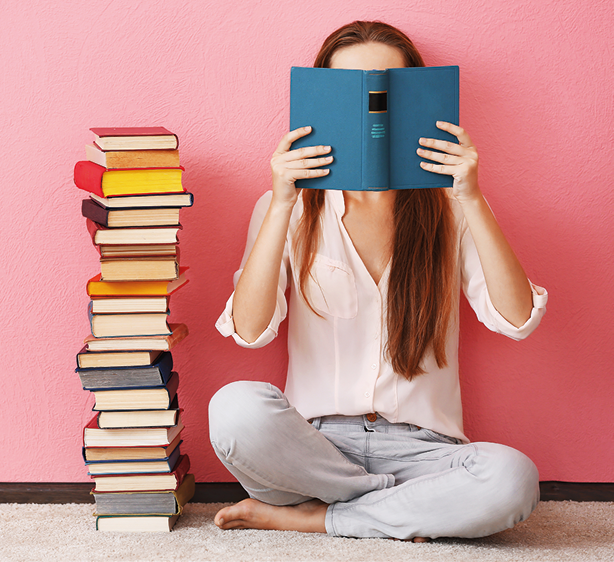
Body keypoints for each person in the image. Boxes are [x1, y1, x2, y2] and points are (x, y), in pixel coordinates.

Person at [209, 20, 548, 541]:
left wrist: (472, 198)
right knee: (233, 409)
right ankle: (396, 509)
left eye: (388, 90)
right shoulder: (291, 209)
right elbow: (252, 329)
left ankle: (321, 518)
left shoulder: (451, 209)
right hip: (310, 451)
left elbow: (517, 318)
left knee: (512, 479)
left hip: (424, 450)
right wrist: (280, 202)